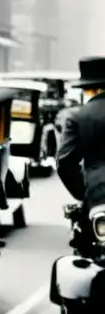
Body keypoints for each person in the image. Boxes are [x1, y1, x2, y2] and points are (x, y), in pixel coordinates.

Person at [56, 56, 105, 211]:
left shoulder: (77, 117)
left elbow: (65, 163)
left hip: (98, 193)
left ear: (91, 90)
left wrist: (83, 193)